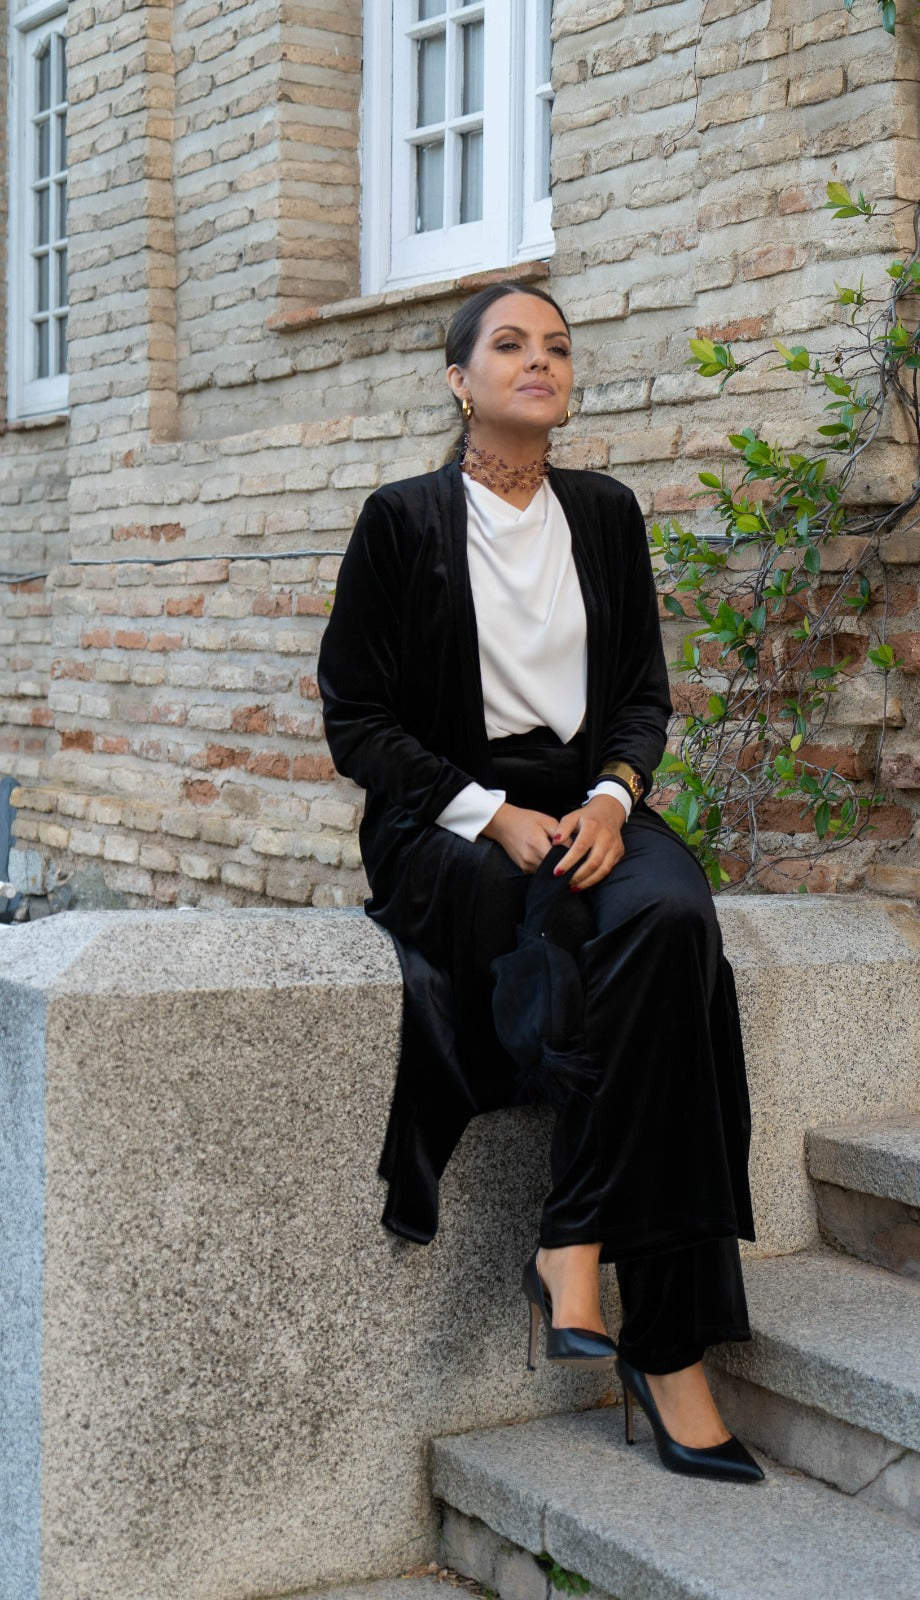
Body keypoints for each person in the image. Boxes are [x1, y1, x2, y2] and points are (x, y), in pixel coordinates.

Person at [316, 282, 763, 1483]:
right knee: (578, 939)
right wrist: (487, 813)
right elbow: (356, 720)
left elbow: (641, 697)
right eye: (509, 345)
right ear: (458, 379)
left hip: (586, 796)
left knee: (672, 920)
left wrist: (614, 797)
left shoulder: (604, 513)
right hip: (446, 818)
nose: (539, 361)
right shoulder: (401, 522)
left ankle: (574, 1235)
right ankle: (669, 1353)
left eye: (557, 347)